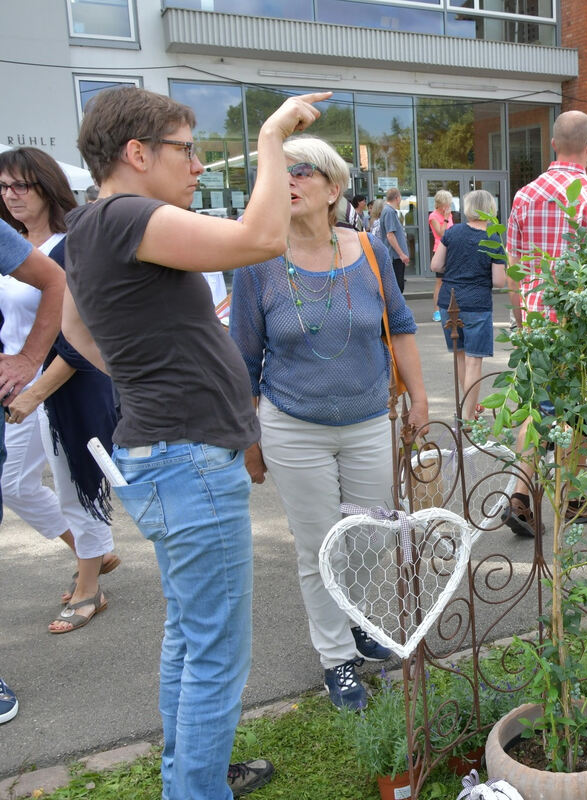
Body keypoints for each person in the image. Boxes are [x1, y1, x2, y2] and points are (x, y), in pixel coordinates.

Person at [62, 85, 328, 799]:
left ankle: (191, 778)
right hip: (187, 459)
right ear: (137, 153)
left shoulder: (87, 226)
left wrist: (152, 370)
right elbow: (261, 240)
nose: (198, 165)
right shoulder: (127, 215)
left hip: (162, 454)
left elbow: (80, 333)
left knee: (190, 637)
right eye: (186, 149)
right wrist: (271, 137)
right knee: (213, 655)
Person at [230, 135, 429, 710]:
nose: (288, 180)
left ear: (333, 188)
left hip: (368, 420)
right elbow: (243, 357)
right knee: (319, 547)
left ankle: (361, 623)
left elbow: (401, 325)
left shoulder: (368, 250)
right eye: (278, 170)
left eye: (301, 171)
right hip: (293, 426)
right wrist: (249, 438)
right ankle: (336, 658)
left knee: (369, 537)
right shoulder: (258, 263)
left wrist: (419, 398)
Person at [0, 146, 119, 632]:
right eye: (3, 187)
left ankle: (90, 585)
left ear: (46, 187)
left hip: (65, 382)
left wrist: (35, 384)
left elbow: (85, 332)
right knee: (13, 484)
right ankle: (91, 549)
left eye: (20, 186)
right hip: (15, 384)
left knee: (76, 485)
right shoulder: (11, 244)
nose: (11, 196)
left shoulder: (73, 245)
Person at [501, 109, 587, 536]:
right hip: (579, 323)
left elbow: (513, 269)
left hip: (536, 322)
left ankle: (521, 496)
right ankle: (576, 497)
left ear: (551, 145)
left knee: (535, 407)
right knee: (576, 406)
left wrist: (523, 322)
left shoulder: (524, 196)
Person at [0, 222, 67, 726]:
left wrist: (30, 363)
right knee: (20, 485)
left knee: (46, 483)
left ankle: (92, 558)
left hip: (47, 390)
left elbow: (55, 282)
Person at [431, 189, 502, 424]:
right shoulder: (493, 238)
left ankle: (466, 406)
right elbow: (500, 281)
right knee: (474, 360)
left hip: (448, 302)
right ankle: (468, 415)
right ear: (491, 209)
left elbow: (435, 264)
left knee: (460, 356)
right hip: (477, 304)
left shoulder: (453, 232)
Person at [429, 189, 454, 323]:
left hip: (451, 249)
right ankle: (437, 311)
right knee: (440, 282)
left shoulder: (448, 215)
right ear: (440, 203)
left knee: (451, 280)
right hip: (439, 250)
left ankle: (450, 308)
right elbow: (441, 233)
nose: (448, 206)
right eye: (446, 203)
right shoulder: (433, 216)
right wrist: (445, 218)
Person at [379, 187, 410, 292]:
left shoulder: (389, 211)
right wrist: (401, 254)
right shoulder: (389, 212)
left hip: (396, 256)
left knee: (397, 286)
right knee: (397, 287)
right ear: (397, 198)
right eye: (400, 197)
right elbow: (390, 235)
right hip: (395, 257)